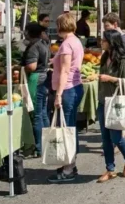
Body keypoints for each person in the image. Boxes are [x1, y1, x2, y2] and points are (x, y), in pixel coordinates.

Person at [47, 14, 85, 183]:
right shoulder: (76, 41)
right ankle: (70, 163)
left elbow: (65, 71)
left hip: (68, 89)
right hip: (75, 86)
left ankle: (69, 167)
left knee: (67, 128)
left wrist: (59, 94)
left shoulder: (66, 44)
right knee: (70, 127)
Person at [95, 30, 125, 183]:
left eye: (104, 40)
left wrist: (110, 78)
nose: (101, 42)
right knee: (105, 138)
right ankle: (110, 169)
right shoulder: (105, 57)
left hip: (116, 103)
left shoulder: (124, 60)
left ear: (111, 42)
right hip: (103, 101)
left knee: (116, 138)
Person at [22, 23, 49, 156]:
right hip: (44, 79)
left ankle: (39, 147)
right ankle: (46, 143)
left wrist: (19, 68)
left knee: (37, 114)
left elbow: (32, 66)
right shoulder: (43, 44)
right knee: (43, 113)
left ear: (29, 33)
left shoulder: (33, 47)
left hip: (36, 80)